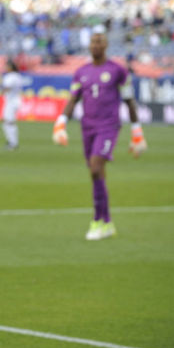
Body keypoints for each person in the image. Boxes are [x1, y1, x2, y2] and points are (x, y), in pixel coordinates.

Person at [52, 30, 147, 241]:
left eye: (99, 42)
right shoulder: (81, 72)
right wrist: (61, 122)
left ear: (106, 45)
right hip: (88, 127)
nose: (96, 45)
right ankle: (107, 222)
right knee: (97, 173)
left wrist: (137, 131)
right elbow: (73, 99)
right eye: (93, 42)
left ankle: (97, 221)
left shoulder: (118, 71)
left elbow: (129, 101)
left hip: (108, 127)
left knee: (95, 168)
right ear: (89, 46)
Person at [0, 59, 25, 150]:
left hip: (11, 101)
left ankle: (13, 142)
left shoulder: (10, 76)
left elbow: (8, 87)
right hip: (15, 100)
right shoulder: (17, 76)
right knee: (7, 121)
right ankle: (11, 140)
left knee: (9, 121)